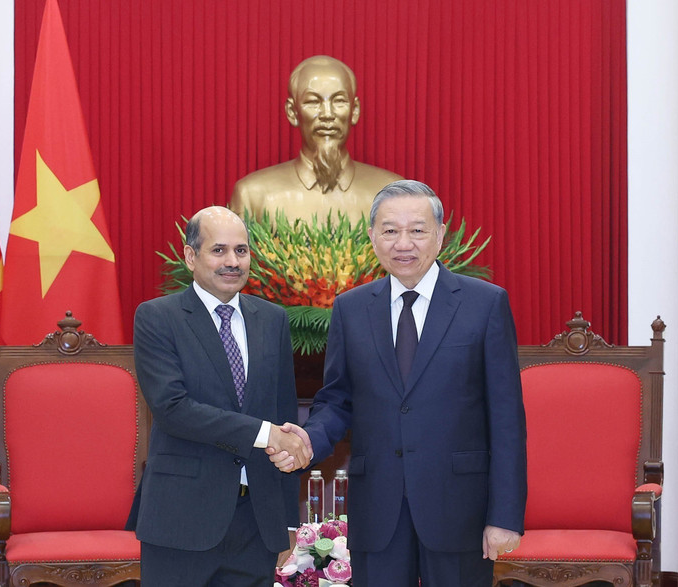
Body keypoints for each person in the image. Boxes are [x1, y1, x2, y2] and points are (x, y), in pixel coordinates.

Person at [271, 180, 527, 586]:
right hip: (378, 508)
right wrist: (307, 442)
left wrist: (505, 516)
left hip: (458, 507)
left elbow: (507, 419)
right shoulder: (351, 309)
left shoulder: (485, 304)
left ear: (441, 234)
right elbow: (336, 401)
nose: (403, 243)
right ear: (372, 237)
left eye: (417, 230)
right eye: (390, 230)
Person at [131, 206, 312, 586]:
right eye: (219, 250)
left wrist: (288, 522)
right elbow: (173, 409)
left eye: (241, 251)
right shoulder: (157, 317)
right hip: (181, 520)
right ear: (190, 256)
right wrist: (265, 434)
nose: (233, 262)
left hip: (256, 523)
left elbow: (283, 418)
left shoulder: (273, 319)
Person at [230, 55, 402, 225]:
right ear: (292, 112)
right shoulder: (252, 196)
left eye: (339, 101)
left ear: (355, 110)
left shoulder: (392, 193)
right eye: (313, 102)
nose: (327, 114)